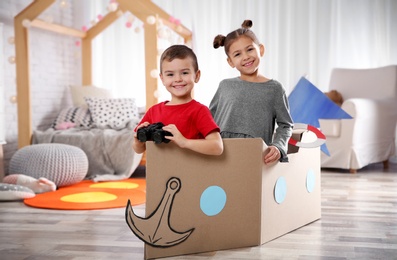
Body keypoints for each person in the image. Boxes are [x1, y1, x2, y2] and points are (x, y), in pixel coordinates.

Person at [210, 20, 293, 164]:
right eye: (237, 54)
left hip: (255, 155)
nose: (246, 57)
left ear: (260, 50)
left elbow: (285, 125)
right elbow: (208, 119)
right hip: (222, 153)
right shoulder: (225, 86)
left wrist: (278, 146)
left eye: (249, 49)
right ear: (230, 62)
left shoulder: (274, 89)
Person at [132, 45, 223, 156]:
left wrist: (184, 142)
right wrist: (138, 142)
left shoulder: (199, 111)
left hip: (190, 171)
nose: (178, 79)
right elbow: (138, 149)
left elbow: (217, 147)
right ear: (162, 79)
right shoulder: (154, 111)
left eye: (184, 73)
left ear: (197, 75)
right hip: (161, 171)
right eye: (170, 74)